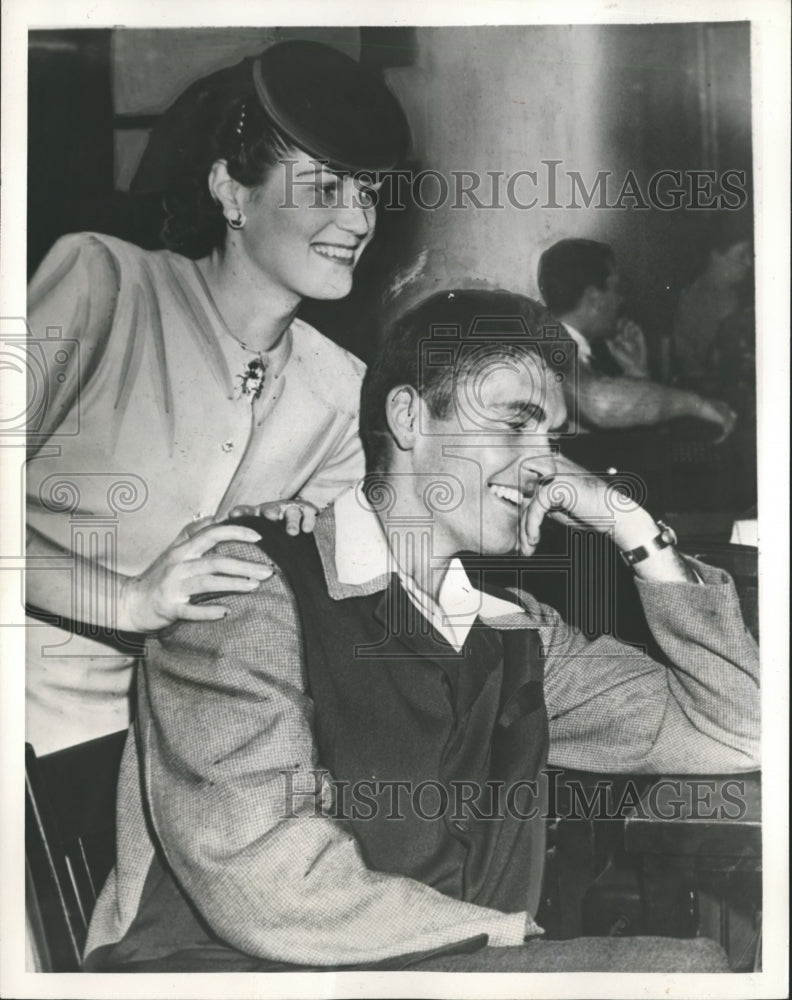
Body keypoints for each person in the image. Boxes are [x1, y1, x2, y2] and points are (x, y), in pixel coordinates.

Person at [83, 290, 759, 973]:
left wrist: (634, 528)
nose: (543, 465)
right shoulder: (248, 583)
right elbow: (264, 878)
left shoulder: (512, 628)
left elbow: (741, 728)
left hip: (430, 964)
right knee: (689, 973)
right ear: (408, 417)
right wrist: (508, 938)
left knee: (696, 967)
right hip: (236, 975)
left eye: (551, 438)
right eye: (514, 424)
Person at [24, 40, 411, 754]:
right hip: (27, 733)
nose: (359, 222)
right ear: (233, 192)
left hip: (187, 754)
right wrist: (131, 601)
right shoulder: (102, 285)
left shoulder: (344, 392)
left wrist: (285, 550)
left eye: (369, 194)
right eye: (326, 188)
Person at [537, 238, 737, 439]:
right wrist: (696, 404)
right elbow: (601, 404)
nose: (620, 300)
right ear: (594, 300)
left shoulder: (564, 344)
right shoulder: (547, 352)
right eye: (615, 288)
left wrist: (636, 372)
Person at [673, 215, 754, 385]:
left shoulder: (735, 294)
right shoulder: (694, 299)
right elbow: (697, 367)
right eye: (741, 255)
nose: (749, 263)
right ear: (716, 256)